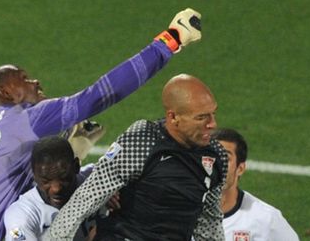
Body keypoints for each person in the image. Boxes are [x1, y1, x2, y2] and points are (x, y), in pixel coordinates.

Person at [0, 8, 202, 241]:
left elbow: (25, 184)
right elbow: (99, 95)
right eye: (24, 78)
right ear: (5, 94)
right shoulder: (23, 117)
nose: (35, 82)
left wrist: (74, 151)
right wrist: (168, 42)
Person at [47, 73, 229, 241]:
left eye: (213, 113)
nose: (213, 124)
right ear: (173, 117)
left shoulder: (216, 155)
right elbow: (86, 199)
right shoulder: (143, 141)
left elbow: (209, 220)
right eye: (201, 118)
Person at [211, 128, 299, 241]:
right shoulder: (183, 214)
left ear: (240, 169)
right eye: (212, 156)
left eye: (225, 158)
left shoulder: (266, 220)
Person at [4, 136, 96, 241]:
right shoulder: (20, 216)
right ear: (33, 174)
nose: (56, 189)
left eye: (63, 178)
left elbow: (115, 165)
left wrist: (111, 192)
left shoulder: (97, 179)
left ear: (76, 166)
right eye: (46, 181)